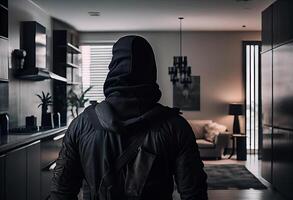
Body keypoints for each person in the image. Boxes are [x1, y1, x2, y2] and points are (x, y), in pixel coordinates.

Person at [50, 35, 208, 200]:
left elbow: (61, 192)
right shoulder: (176, 126)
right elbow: (194, 193)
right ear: (151, 69)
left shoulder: (80, 124)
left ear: (113, 68)